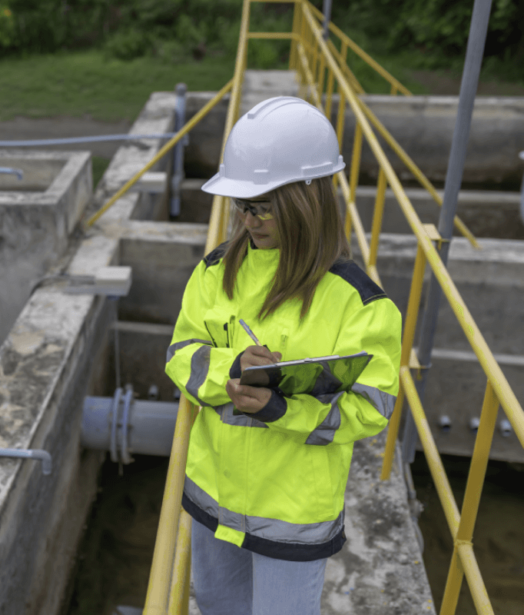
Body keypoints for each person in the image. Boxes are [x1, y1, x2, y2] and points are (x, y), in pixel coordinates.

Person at [164, 96, 402, 615]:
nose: (249, 220)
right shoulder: (215, 272)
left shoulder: (359, 304)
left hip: (292, 517)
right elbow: (181, 352)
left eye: (262, 206)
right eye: (241, 206)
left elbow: (372, 407)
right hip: (213, 497)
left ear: (307, 199)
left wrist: (279, 409)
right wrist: (228, 370)